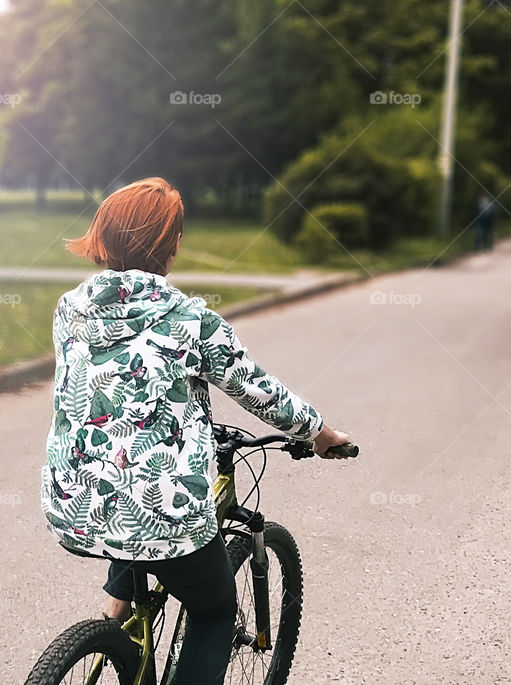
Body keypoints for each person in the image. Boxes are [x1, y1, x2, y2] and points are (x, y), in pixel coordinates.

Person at [40, 177, 352, 685]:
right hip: (159, 507)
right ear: (173, 243)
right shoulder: (189, 319)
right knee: (213, 611)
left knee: (128, 500)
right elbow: (254, 388)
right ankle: (126, 622)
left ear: (103, 237)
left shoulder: (68, 309)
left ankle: (115, 619)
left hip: (75, 501)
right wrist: (317, 432)